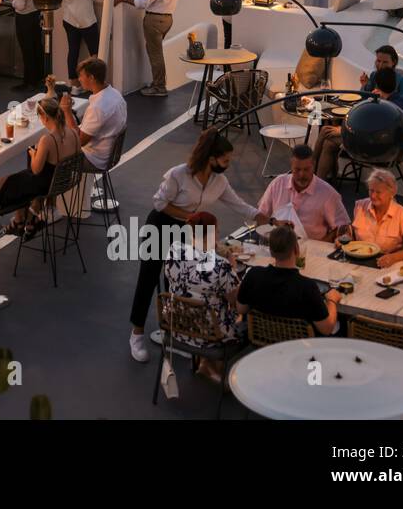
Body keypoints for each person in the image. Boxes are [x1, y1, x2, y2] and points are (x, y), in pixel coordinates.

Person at [128, 129, 253, 362]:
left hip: (186, 230)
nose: (229, 163)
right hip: (161, 225)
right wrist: (189, 217)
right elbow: (159, 203)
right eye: (225, 159)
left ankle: (172, 332)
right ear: (212, 159)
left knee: (177, 282)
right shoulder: (179, 175)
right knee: (148, 278)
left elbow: (241, 206)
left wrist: (268, 218)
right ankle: (136, 335)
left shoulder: (220, 181)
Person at [163, 210, 241, 380]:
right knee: (240, 315)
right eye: (217, 231)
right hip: (210, 334)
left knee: (204, 301)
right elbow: (234, 300)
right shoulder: (222, 266)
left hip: (177, 325)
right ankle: (213, 364)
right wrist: (233, 268)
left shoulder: (174, 250)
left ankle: (207, 364)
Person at [0, 97, 81, 239]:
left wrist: (34, 153)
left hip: (46, 185)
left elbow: (35, 170)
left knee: (4, 182)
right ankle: (22, 219)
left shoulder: (47, 140)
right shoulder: (73, 133)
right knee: (18, 178)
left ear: (44, 117)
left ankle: (13, 221)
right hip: (64, 181)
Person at [236, 224, 341, 335]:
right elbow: (327, 329)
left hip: (264, 340)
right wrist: (332, 300)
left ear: (271, 251)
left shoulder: (254, 275)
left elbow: (241, 309)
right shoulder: (306, 287)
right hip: (298, 348)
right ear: (296, 249)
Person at [313, 67, 403, 180]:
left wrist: (342, 130)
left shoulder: (380, 105)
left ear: (377, 85)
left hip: (375, 147)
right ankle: (319, 176)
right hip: (389, 148)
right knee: (327, 136)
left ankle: (314, 176)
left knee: (327, 136)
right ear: (394, 85)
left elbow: (370, 127)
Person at [254, 144, 350, 242]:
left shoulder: (328, 193)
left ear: (313, 166)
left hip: (311, 253)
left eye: (306, 169)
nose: (302, 175)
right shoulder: (277, 184)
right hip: (277, 247)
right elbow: (261, 216)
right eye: (297, 169)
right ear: (291, 166)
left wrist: (319, 245)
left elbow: (343, 227)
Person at [118, 0, 178, 97]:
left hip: (154, 20)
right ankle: (157, 82)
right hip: (167, 19)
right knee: (155, 51)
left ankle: (159, 87)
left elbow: (144, 4)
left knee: (155, 54)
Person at [60, 57, 127, 172]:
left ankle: (51, 188)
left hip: (94, 159)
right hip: (108, 154)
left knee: (47, 150)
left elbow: (79, 141)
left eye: (81, 76)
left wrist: (67, 111)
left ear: (91, 78)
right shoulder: (115, 94)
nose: (79, 79)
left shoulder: (98, 107)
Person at [351, 168, 403, 269]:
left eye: (378, 192)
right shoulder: (360, 206)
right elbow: (353, 235)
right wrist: (345, 238)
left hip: (387, 265)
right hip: (359, 261)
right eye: (371, 190)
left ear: (391, 193)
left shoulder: (402, 214)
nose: (373, 196)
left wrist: (393, 258)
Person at [56, 0, 101, 90]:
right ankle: (95, 83)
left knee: (73, 51)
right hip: (86, 20)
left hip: (69, 20)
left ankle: (74, 84)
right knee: (94, 53)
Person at [7, 0, 45, 88]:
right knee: (36, 48)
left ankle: (29, 81)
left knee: (27, 50)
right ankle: (39, 77)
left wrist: (12, 0)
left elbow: (21, 6)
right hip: (35, 16)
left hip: (24, 20)